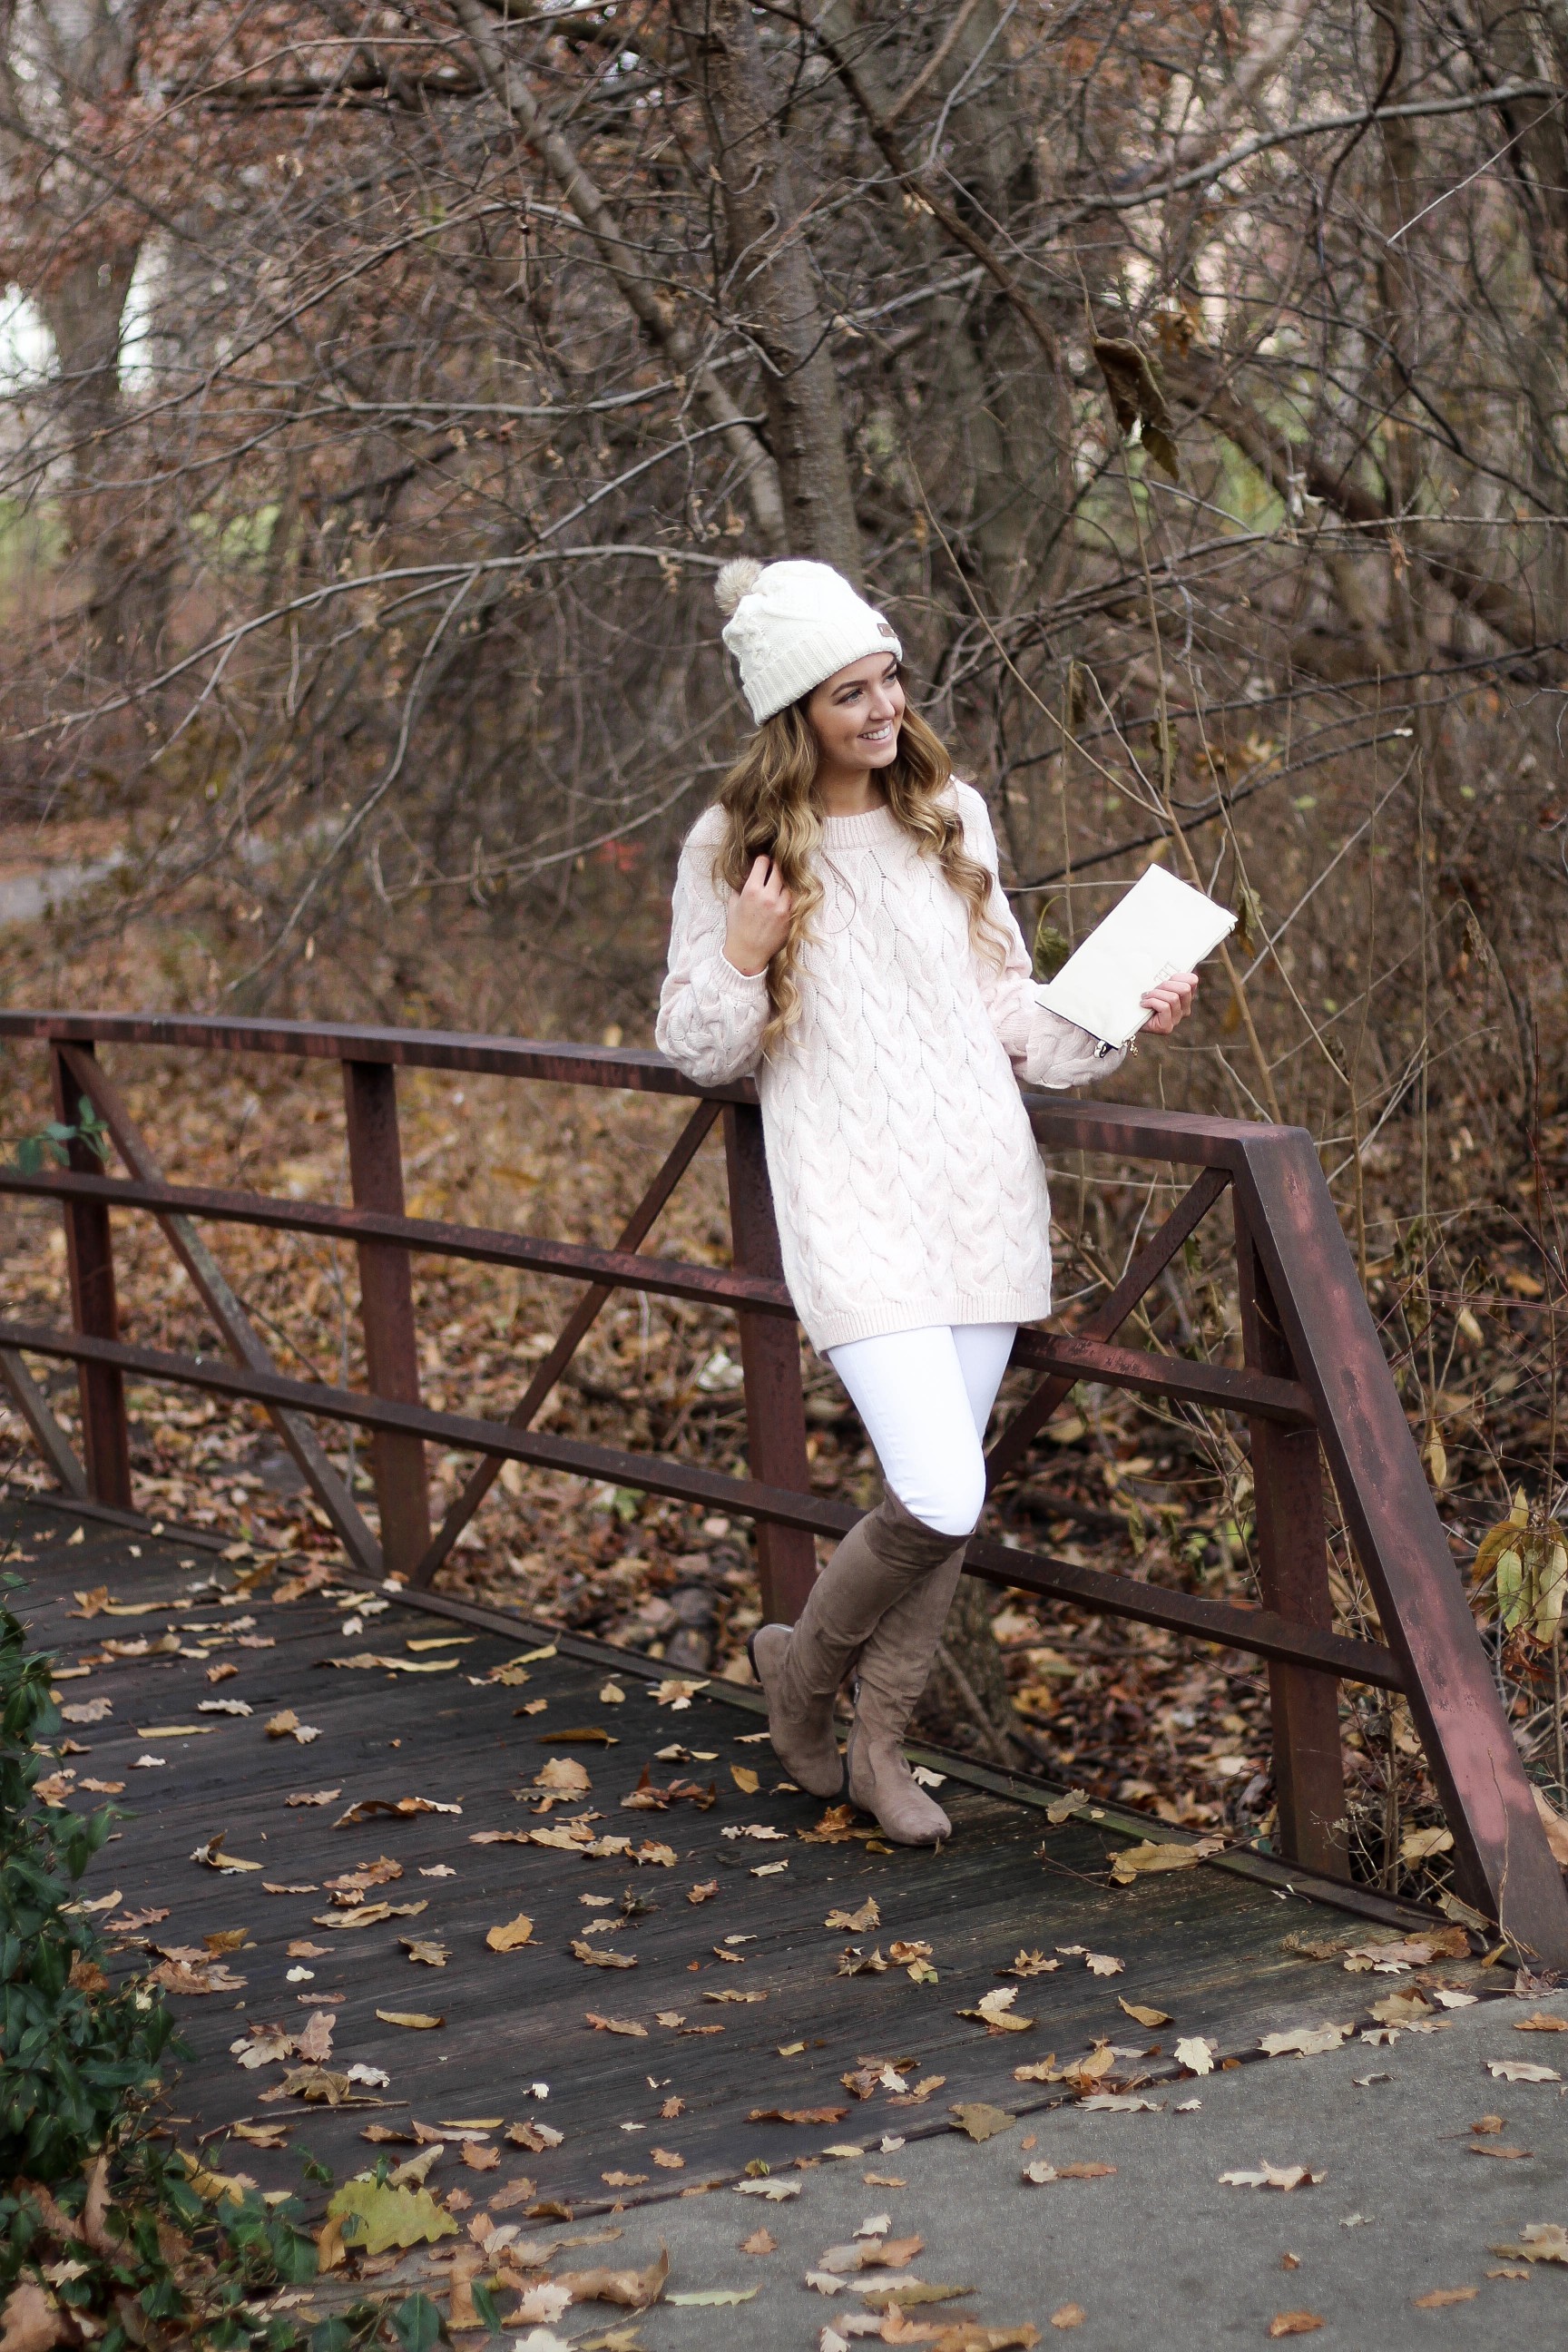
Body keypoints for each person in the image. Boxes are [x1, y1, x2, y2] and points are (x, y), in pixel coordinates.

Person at [655, 558, 1197, 1846]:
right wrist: (742, 946)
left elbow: (1008, 1008)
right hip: (850, 1206)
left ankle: (870, 1740)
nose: (885, 707)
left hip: (978, 1191)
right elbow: (695, 1043)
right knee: (942, 1495)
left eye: (889, 677)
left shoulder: (951, 814)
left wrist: (1118, 1016)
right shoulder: (732, 847)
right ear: (797, 714)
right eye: (851, 693)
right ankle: (800, 1684)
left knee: (940, 1496)